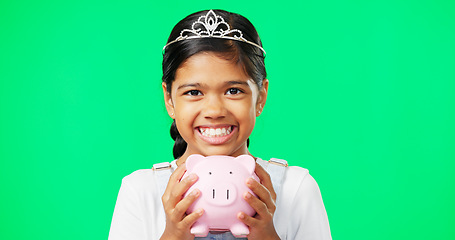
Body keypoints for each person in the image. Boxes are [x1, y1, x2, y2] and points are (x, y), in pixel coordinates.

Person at [108, 9, 331, 240]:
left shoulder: (295, 189)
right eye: (194, 92)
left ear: (261, 96)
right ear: (169, 99)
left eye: (233, 91)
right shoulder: (141, 191)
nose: (214, 111)